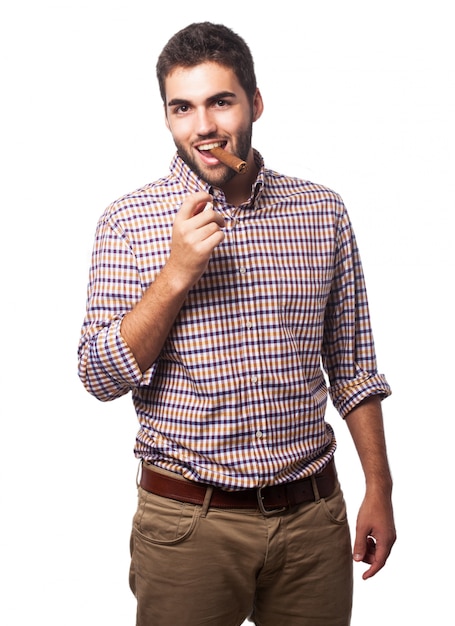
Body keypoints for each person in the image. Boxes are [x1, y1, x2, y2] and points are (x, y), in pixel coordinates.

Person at [78, 21, 396, 626]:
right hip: (187, 526)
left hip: (312, 519)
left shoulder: (321, 210)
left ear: (255, 102)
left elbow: (353, 365)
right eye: (182, 108)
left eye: (220, 102)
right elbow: (99, 375)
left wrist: (379, 486)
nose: (203, 127)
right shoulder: (128, 221)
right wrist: (174, 275)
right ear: (167, 117)